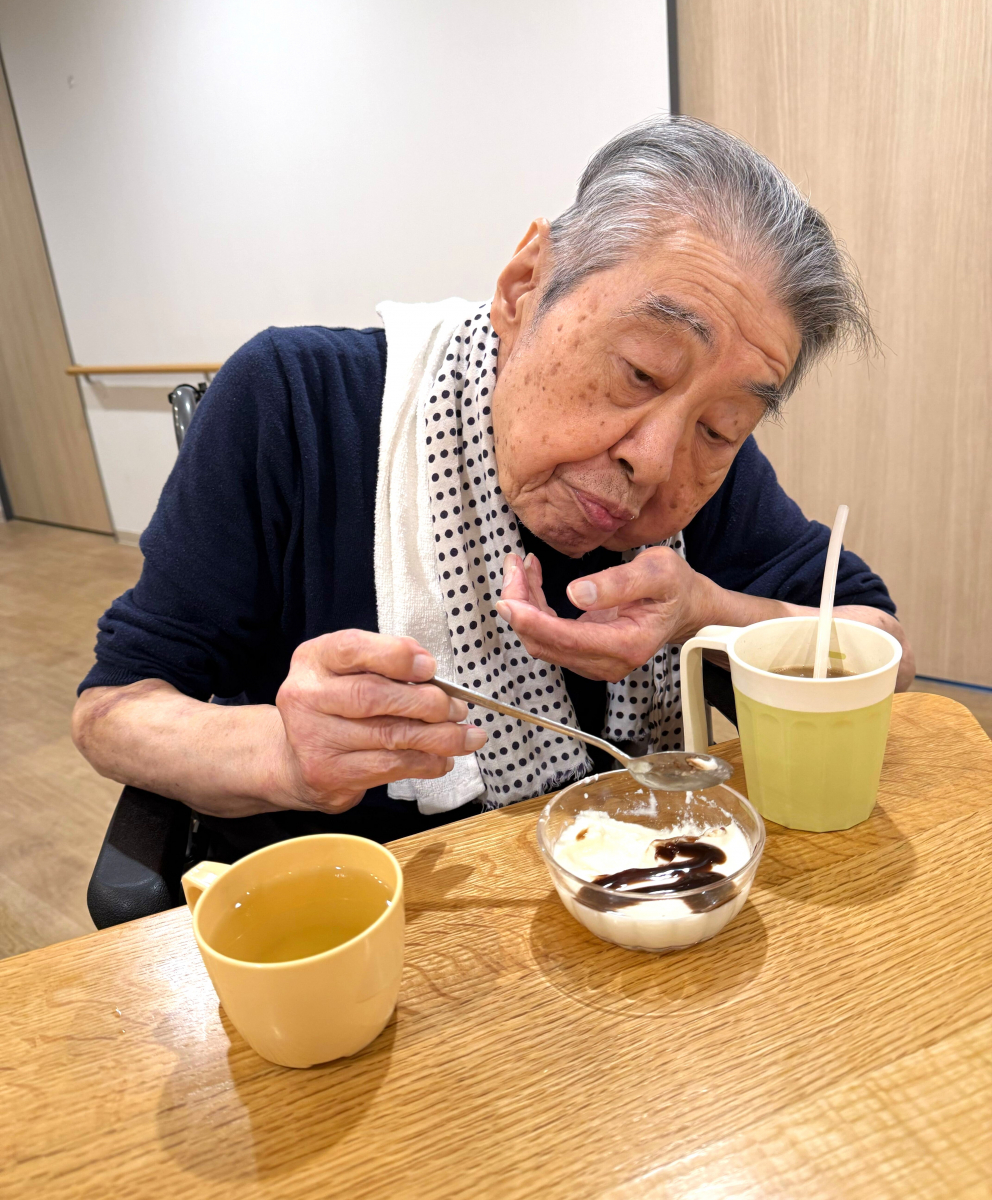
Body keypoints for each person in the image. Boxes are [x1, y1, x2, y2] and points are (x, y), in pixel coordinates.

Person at [72, 116, 915, 861]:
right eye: (641, 371)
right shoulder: (295, 402)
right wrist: (283, 754)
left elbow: (884, 649)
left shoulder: (702, 476)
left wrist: (705, 610)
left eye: (723, 425)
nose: (657, 461)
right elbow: (112, 712)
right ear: (523, 287)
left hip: (642, 888)